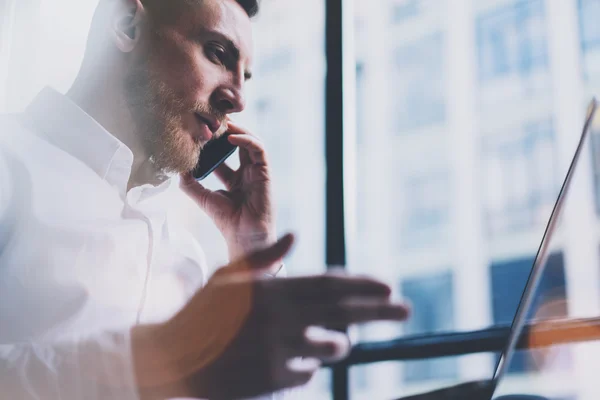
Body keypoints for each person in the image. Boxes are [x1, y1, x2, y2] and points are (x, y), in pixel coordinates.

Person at [0, 0, 410, 399]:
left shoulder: (186, 259)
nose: (238, 99)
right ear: (127, 26)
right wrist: (155, 360)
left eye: (244, 76)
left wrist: (253, 252)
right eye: (217, 54)